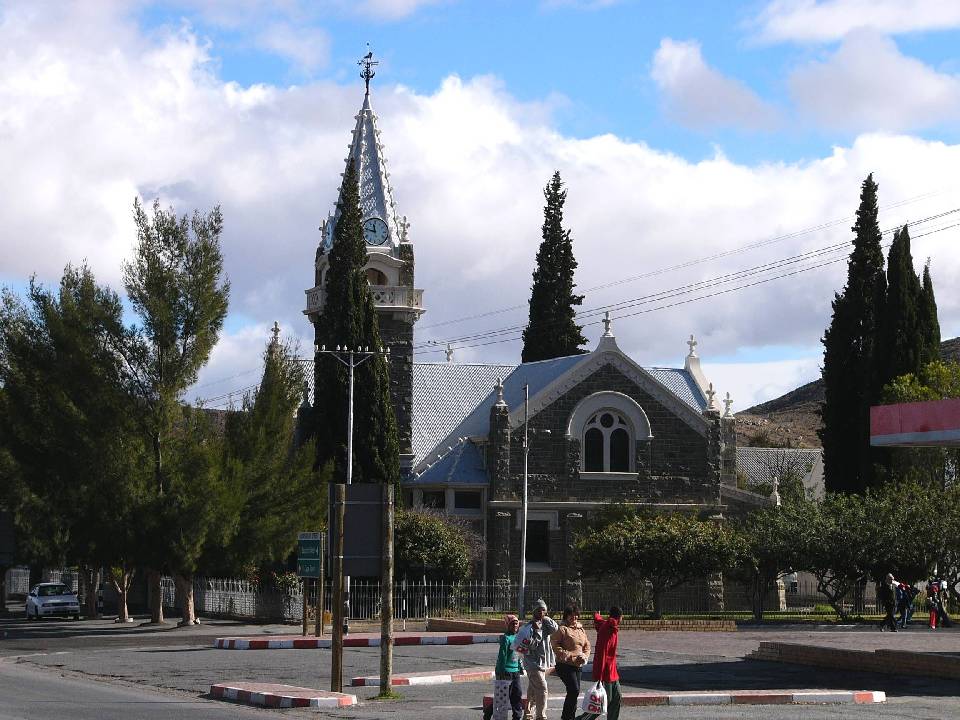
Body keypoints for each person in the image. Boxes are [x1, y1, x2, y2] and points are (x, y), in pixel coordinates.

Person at [577, 607, 622, 720]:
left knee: (617, 698)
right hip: (605, 673)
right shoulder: (608, 629)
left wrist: (596, 614)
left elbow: (599, 620)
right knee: (600, 704)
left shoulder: (609, 626)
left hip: (613, 672)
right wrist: (599, 678)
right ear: (620, 617)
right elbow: (602, 654)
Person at [516, 599, 558, 720]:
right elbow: (532, 645)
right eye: (538, 610)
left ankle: (528, 715)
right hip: (533, 664)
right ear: (534, 611)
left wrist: (545, 618)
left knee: (533, 691)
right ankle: (541, 716)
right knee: (542, 689)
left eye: (543, 610)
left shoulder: (545, 624)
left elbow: (555, 628)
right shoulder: (529, 627)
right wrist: (537, 631)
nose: (541, 612)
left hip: (542, 663)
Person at [550, 604, 590, 720]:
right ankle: (567, 717)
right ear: (566, 616)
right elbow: (554, 643)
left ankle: (569, 716)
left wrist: (585, 656)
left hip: (578, 664)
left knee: (574, 692)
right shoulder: (562, 629)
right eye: (571, 616)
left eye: (576, 616)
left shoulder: (580, 629)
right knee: (574, 689)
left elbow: (587, 645)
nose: (574, 619)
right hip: (565, 665)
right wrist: (564, 654)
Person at [494, 614, 524, 720]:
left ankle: (517, 716)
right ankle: (489, 712)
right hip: (506, 671)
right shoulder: (505, 638)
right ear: (507, 625)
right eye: (512, 624)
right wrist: (501, 670)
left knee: (517, 694)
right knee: (503, 696)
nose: (515, 626)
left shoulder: (518, 637)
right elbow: (502, 656)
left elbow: (519, 654)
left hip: (515, 671)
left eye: (516, 623)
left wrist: (520, 667)